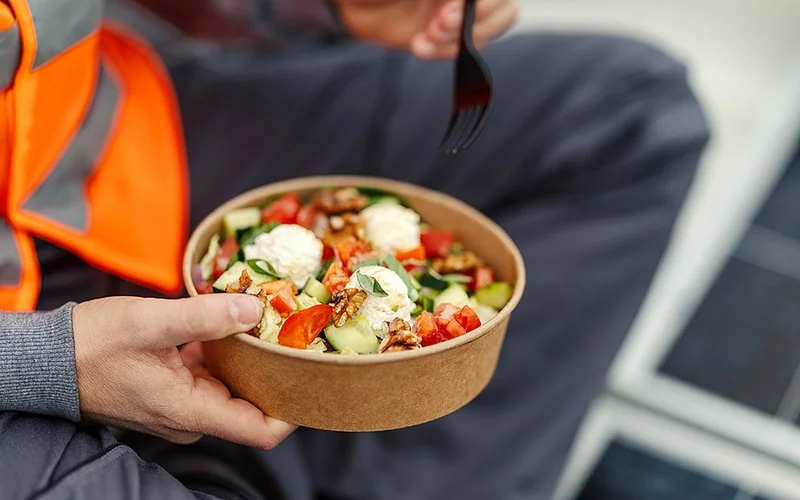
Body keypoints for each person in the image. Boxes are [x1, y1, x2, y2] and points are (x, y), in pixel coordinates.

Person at [0, 0, 710, 499]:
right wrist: (39, 364)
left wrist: (320, 9)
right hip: (19, 343)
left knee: (624, 112)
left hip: (112, 135)